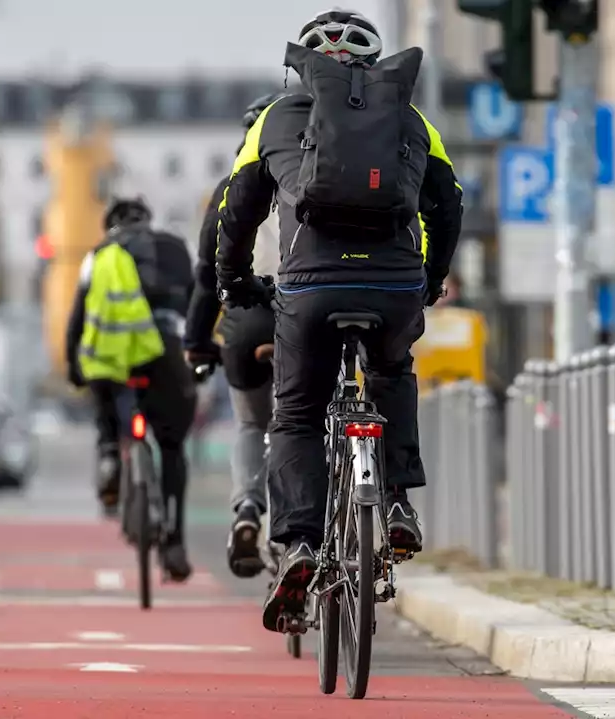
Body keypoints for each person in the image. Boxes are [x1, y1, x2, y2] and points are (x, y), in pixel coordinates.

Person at [214, 9, 463, 631]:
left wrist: (233, 279)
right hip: (394, 285)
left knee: (296, 414)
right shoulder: (412, 120)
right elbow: (449, 203)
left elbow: (238, 207)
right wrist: (430, 277)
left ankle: (299, 542)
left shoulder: (274, 119)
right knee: (392, 371)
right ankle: (399, 502)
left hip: (309, 287)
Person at [65, 196, 199, 581]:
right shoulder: (176, 248)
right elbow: (197, 306)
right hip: (169, 352)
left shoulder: (100, 254)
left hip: (116, 356)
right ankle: (174, 541)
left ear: (110, 224)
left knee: (102, 386)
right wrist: (201, 359)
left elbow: (78, 318)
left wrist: (74, 368)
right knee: (172, 448)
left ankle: (109, 453)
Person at [185, 93, 284, 579]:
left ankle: (247, 507)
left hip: (246, 322)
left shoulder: (229, 188)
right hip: (309, 313)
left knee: (251, 423)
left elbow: (208, 277)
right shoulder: (321, 180)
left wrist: (196, 342)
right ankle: (318, 517)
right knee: (313, 418)